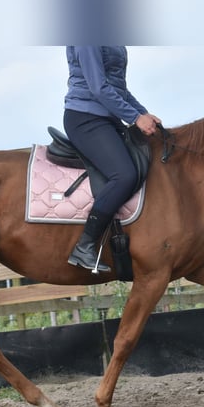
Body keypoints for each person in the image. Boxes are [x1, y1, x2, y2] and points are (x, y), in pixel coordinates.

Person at [63, 46, 162, 273]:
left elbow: (121, 90)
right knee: (124, 175)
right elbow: (98, 87)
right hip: (85, 118)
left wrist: (143, 114)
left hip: (109, 119)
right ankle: (84, 246)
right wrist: (135, 117)